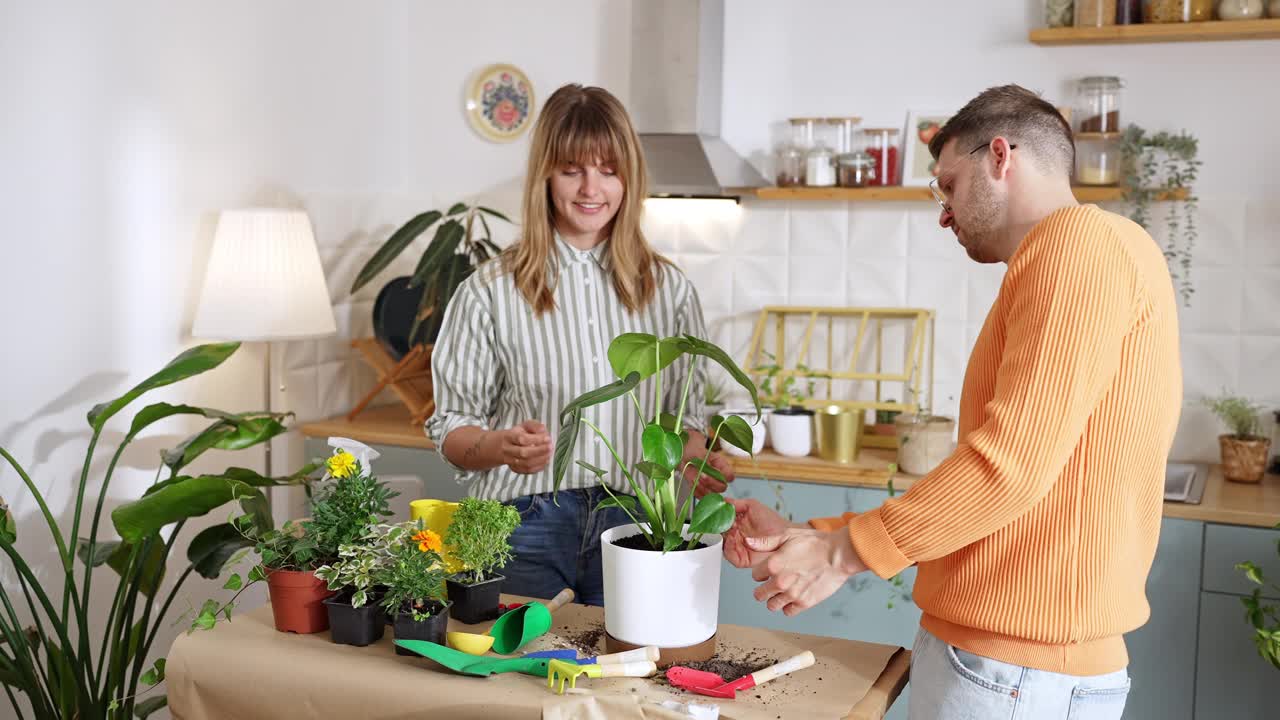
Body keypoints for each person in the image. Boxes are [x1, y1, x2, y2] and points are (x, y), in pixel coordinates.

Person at [722, 85, 1181, 719]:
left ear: (1001, 156)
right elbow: (1010, 485)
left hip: (1015, 670)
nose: (943, 213)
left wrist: (839, 556)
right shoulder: (1103, 251)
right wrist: (818, 534)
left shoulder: (1077, 248)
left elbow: (1007, 470)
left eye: (949, 184)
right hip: (1018, 663)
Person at [427, 83, 733, 606]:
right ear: (545, 175)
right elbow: (450, 425)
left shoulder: (671, 290)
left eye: (609, 170)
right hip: (521, 522)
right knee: (514, 679)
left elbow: (683, 425)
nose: (592, 188)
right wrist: (500, 445)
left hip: (637, 520)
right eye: (572, 169)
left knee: (629, 677)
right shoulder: (489, 290)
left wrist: (700, 460)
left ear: (628, 178)